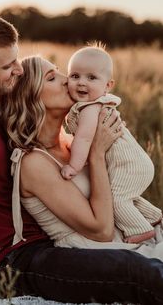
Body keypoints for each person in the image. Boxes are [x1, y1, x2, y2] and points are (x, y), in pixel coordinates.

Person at [0, 11, 163, 305]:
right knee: (134, 271)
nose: (18, 70)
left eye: (16, 60)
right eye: (7, 65)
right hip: (14, 259)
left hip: (46, 240)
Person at [60, 44, 162, 243]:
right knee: (125, 194)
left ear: (108, 85)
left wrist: (74, 165)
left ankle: (138, 230)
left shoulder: (91, 107)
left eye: (91, 78)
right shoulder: (89, 104)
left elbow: (84, 138)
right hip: (131, 164)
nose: (81, 83)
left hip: (129, 165)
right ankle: (153, 216)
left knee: (115, 197)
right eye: (75, 76)